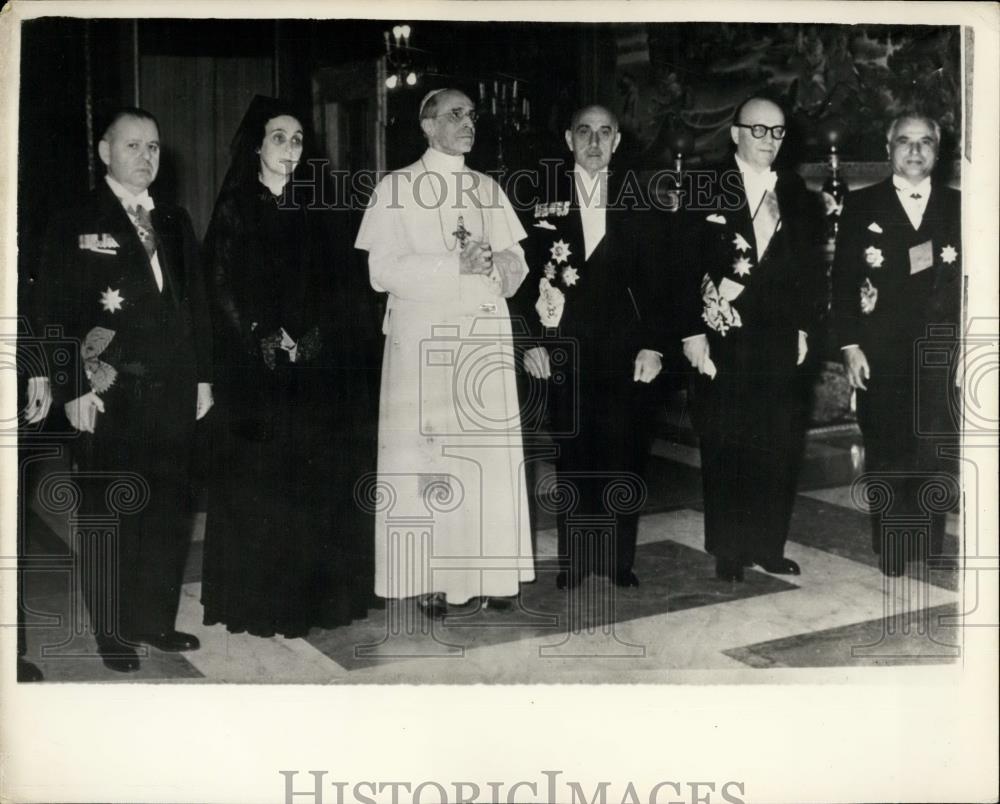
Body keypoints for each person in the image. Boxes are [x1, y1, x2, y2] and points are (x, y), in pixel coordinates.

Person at [32, 107, 213, 672]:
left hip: (175, 392)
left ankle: (153, 620)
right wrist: (71, 389)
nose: (146, 157)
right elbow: (53, 309)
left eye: (154, 147)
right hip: (108, 391)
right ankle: (112, 629)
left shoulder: (176, 221)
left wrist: (204, 377)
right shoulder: (74, 219)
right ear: (105, 151)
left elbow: (197, 307)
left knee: (167, 512)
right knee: (111, 512)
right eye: (133, 146)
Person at [200, 96, 377, 637]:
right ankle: (262, 603)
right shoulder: (235, 207)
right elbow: (219, 285)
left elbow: (345, 284)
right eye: (279, 137)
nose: (290, 149)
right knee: (260, 487)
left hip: (315, 371)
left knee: (316, 483)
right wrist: (261, 334)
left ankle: (315, 601)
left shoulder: (321, 204)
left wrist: (316, 336)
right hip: (255, 373)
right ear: (258, 144)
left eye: (298, 139)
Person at [354, 88, 535, 618]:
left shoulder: (487, 189)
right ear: (427, 125)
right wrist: (452, 265)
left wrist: (499, 265)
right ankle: (427, 576)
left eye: (471, 114)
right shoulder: (397, 187)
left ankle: (490, 571)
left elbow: (518, 261)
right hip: (425, 342)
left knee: (484, 457)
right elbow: (380, 270)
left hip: (482, 337)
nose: (468, 122)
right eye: (455, 114)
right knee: (429, 459)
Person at [517, 104, 668, 590]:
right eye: (585, 132)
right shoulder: (541, 201)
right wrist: (532, 341)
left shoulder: (643, 200)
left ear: (618, 142)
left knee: (624, 453)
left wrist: (653, 345)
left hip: (626, 349)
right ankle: (575, 560)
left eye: (605, 133)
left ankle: (619, 560)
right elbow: (520, 278)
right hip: (566, 347)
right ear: (568, 138)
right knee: (573, 454)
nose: (595, 142)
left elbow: (659, 284)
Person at [680, 96, 825, 582]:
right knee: (726, 440)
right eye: (759, 130)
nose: (769, 141)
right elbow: (679, 267)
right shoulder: (703, 186)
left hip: (779, 337)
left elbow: (809, 272)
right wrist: (691, 333)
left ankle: (767, 544)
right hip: (723, 335)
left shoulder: (798, 194)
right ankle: (728, 547)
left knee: (778, 443)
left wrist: (806, 327)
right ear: (735, 133)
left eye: (778, 132)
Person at [832, 113, 961, 577]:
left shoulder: (958, 205)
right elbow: (843, 280)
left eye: (924, 142)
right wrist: (849, 345)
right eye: (904, 141)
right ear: (889, 148)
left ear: (937, 150)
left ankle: (929, 541)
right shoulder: (863, 205)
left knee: (934, 447)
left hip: (938, 348)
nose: (914, 151)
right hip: (880, 349)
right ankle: (891, 545)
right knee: (887, 446)